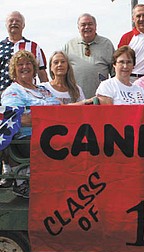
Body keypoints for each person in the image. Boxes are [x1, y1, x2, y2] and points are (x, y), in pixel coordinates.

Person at [0, 50, 60, 197]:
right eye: (20, 64)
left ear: (34, 68)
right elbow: (18, 119)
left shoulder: (43, 90)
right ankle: (21, 184)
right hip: (26, 141)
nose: (25, 67)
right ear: (14, 70)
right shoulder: (13, 92)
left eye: (28, 63)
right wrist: (51, 117)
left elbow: (60, 109)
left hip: (52, 134)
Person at [63, 13, 115, 98]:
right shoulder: (69, 45)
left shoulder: (107, 44)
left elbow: (115, 73)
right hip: (75, 98)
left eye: (90, 24)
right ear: (78, 28)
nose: (87, 27)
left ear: (95, 26)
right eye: (83, 25)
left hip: (100, 98)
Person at [0, 11, 48, 92]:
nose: (14, 23)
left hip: (29, 94)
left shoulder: (34, 47)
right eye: (11, 21)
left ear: (23, 25)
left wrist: (47, 93)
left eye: (17, 21)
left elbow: (41, 72)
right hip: (3, 93)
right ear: (6, 24)